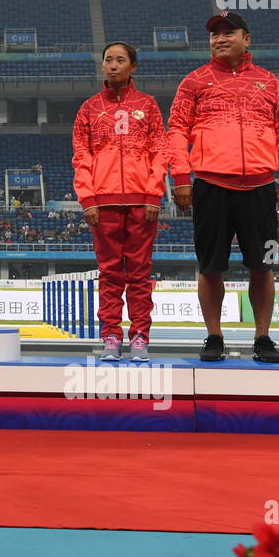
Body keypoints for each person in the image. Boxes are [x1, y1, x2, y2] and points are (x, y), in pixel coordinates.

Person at [168, 10, 279, 363]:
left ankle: (263, 337)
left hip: (261, 187)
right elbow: (177, 131)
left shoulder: (270, 83)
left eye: (229, 32)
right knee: (210, 266)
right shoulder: (193, 82)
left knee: (263, 266)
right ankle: (214, 336)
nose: (220, 38)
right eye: (214, 34)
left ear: (247, 39)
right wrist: (181, 178)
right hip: (210, 185)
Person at [73, 41, 168, 362]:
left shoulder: (149, 105)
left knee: (140, 275)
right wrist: (87, 198)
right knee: (110, 274)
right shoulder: (88, 109)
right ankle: (111, 336)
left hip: (143, 202)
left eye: (119, 60)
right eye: (108, 60)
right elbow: (81, 156)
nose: (112, 65)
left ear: (133, 66)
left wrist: (155, 192)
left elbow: (160, 152)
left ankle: (140, 336)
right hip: (103, 201)